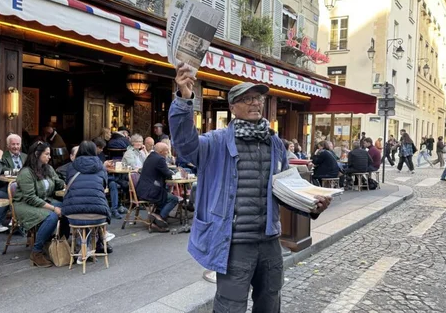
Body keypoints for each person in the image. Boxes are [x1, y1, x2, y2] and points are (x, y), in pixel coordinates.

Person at [169, 64, 331, 312]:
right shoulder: (215, 141)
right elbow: (183, 144)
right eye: (247, 99)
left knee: (270, 300)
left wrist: (311, 205)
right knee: (230, 305)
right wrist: (184, 99)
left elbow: (285, 188)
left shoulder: (275, 143)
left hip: (269, 240)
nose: (255, 103)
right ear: (232, 108)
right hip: (234, 243)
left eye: (258, 98)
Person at [13, 141, 66, 267]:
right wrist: (53, 208)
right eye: (47, 154)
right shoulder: (26, 172)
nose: (49, 157)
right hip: (24, 204)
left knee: (69, 209)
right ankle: (36, 252)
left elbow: (57, 182)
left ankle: (59, 243)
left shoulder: (47, 168)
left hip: (43, 200)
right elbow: (30, 198)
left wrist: (66, 184)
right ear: (37, 154)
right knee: (51, 216)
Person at [62, 141, 113, 263]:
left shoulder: (71, 167)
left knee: (82, 214)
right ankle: (87, 246)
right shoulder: (100, 166)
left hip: (73, 215)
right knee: (91, 213)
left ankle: (83, 247)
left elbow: (68, 182)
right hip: (98, 215)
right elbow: (103, 185)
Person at [136, 142, 178, 230]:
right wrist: (175, 173)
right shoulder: (160, 159)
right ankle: (159, 218)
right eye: (167, 151)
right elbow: (168, 174)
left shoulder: (151, 156)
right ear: (162, 152)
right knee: (174, 199)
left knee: (165, 193)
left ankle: (157, 215)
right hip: (151, 191)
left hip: (142, 189)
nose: (167, 153)